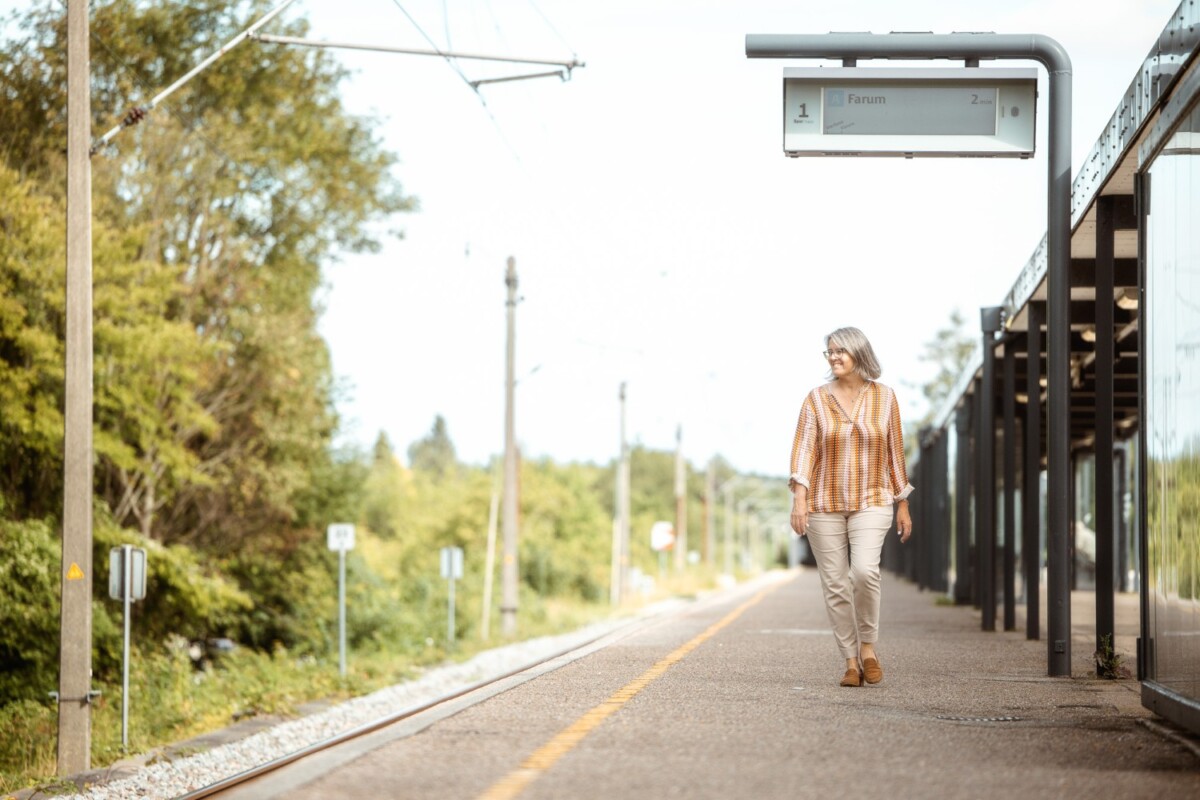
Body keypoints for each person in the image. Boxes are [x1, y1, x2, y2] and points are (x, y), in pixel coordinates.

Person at [789, 326, 913, 688]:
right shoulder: (815, 399)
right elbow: (804, 451)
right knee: (835, 584)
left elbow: (894, 453)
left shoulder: (885, 398)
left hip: (872, 499)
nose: (833, 357)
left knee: (863, 572)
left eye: (840, 351)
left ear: (860, 353)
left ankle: (869, 649)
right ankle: (850, 661)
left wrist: (902, 504)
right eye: (829, 352)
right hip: (824, 503)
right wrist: (800, 499)